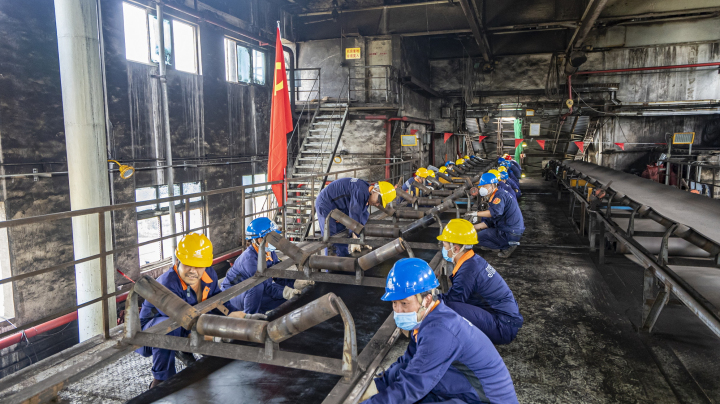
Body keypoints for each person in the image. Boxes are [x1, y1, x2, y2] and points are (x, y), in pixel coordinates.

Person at [359, 258, 518, 404]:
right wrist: (376, 386)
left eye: (404, 303)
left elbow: (413, 385)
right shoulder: (428, 318)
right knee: (402, 375)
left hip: (489, 400)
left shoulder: (440, 330)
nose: (398, 310)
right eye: (394, 303)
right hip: (470, 387)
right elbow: (407, 361)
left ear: (426, 299)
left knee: (408, 392)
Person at [136, 233, 266, 389]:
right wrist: (216, 336)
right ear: (178, 261)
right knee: (169, 328)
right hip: (148, 334)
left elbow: (216, 300)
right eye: (188, 264)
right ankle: (161, 381)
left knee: (213, 337)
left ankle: (193, 356)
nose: (193, 271)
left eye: (198, 265)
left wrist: (237, 316)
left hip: (188, 323)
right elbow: (183, 324)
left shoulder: (208, 274)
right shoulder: (167, 284)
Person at [437, 219, 523, 344]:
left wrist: (429, 299)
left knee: (447, 307)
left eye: (445, 246)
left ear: (455, 249)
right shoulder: (473, 260)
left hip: (503, 327)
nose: (443, 249)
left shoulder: (468, 270)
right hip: (507, 319)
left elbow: (454, 299)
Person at [221, 217, 313, 315]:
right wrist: (286, 292)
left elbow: (278, 275)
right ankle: (250, 318)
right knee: (257, 286)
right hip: (233, 295)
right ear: (260, 240)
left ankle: (262, 311)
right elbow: (265, 286)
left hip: (250, 293)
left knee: (288, 298)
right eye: (273, 239)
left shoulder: (269, 252)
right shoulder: (249, 260)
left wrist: (295, 283)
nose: (276, 241)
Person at [316, 178, 396, 256]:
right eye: (379, 200)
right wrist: (355, 239)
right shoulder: (360, 191)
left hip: (339, 207)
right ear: (376, 190)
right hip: (326, 204)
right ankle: (331, 262)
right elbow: (355, 212)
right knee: (331, 239)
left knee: (341, 236)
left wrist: (360, 237)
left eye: (380, 203)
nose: (377, 204)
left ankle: (342, 259)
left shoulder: (365, 194)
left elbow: (361, 218)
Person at [466, 173, 524, 258]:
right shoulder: (496, 195)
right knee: (479, 237)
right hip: (510, 230)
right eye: (481, 186)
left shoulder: (499, 196)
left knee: (476, 238)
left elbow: (494, 212)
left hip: (509, 233)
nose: (482, 188)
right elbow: (489, 222)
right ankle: (500, 244)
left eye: (485, 186)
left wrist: (475, 213)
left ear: (493, 185)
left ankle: (507, 247)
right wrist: (472, 227)